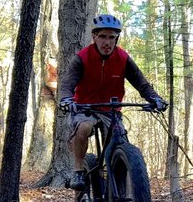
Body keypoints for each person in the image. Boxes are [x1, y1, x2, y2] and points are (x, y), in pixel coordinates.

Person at [58, 14, 167, 191]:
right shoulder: (82, 58)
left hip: (110, 109)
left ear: (117, 38)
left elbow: (142, 83)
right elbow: (67, 84)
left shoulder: (123, 58)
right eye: (102, 36)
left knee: (120, 138)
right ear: (94, 36)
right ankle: (78, 170)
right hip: (84, 107)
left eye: (111, 37)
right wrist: (66, 100)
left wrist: (155, 99)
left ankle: (118, 177)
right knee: (83, 128)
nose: (107, 42)